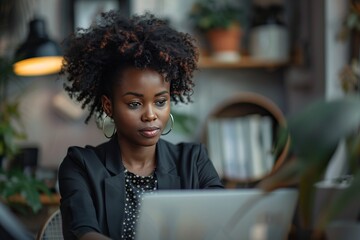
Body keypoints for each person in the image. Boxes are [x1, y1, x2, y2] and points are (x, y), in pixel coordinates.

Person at [58, 10, 224, 240]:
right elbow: (84, 233)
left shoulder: (193, 161)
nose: (150, 115)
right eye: (135, 104)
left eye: (160, 102)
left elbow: (223, 221)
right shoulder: (81, 167)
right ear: (108, 106)